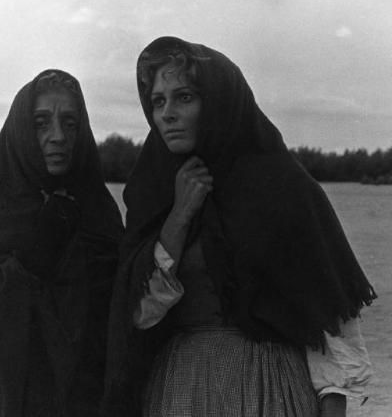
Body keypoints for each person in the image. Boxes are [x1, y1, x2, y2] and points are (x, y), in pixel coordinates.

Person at [102, 37, 376, 417]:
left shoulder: (284, 186)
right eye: (158, 100)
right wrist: (180, 213)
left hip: (269, 386)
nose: (166, 113)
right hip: (182, 388)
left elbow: (331, 326)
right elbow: (140, 314)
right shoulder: (152, 191)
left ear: (218, 103)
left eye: (184, 97)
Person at [0, 69, 124, 416]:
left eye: (70, 123)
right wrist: (39, 250)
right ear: (22, 130)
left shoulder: (98, 212)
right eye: (41, 123)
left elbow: (121, 320)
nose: (58, 136)